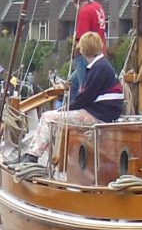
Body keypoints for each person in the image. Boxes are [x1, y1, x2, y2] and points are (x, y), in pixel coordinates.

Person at [23, 31, 126, 164]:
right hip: (104, 113)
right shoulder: (101, 65)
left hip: (99, 115)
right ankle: (52, 161)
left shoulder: (98, 68)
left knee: (48, 117)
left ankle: (33, 156)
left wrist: (66, 108)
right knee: (56, 118)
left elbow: (85, 98)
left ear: (84, 49)